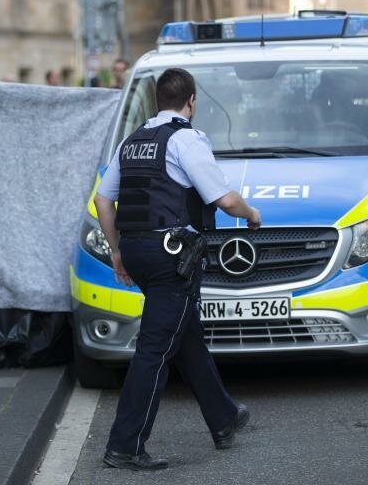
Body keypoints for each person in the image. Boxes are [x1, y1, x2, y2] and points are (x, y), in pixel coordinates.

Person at [95, 67, 261, 471]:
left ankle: (223, 418)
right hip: (173, 258)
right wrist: (252, 214)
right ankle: (125, 444)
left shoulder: (132, 141)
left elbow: (103, 201)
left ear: (156, 101)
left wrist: (117, 252)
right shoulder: (186, 139)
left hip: (137, 251)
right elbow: (222, 199)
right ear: (191, 102)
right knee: (155, 349)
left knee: (185, 335)